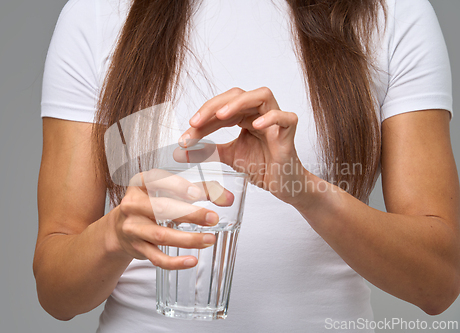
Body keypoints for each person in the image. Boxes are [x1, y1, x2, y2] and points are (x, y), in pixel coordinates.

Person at [34, 0, 460, 332]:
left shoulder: (391, 13)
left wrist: (306, 191)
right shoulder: (98, 14)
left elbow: (439, 282)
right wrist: (114, 236)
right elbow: (56, 292)